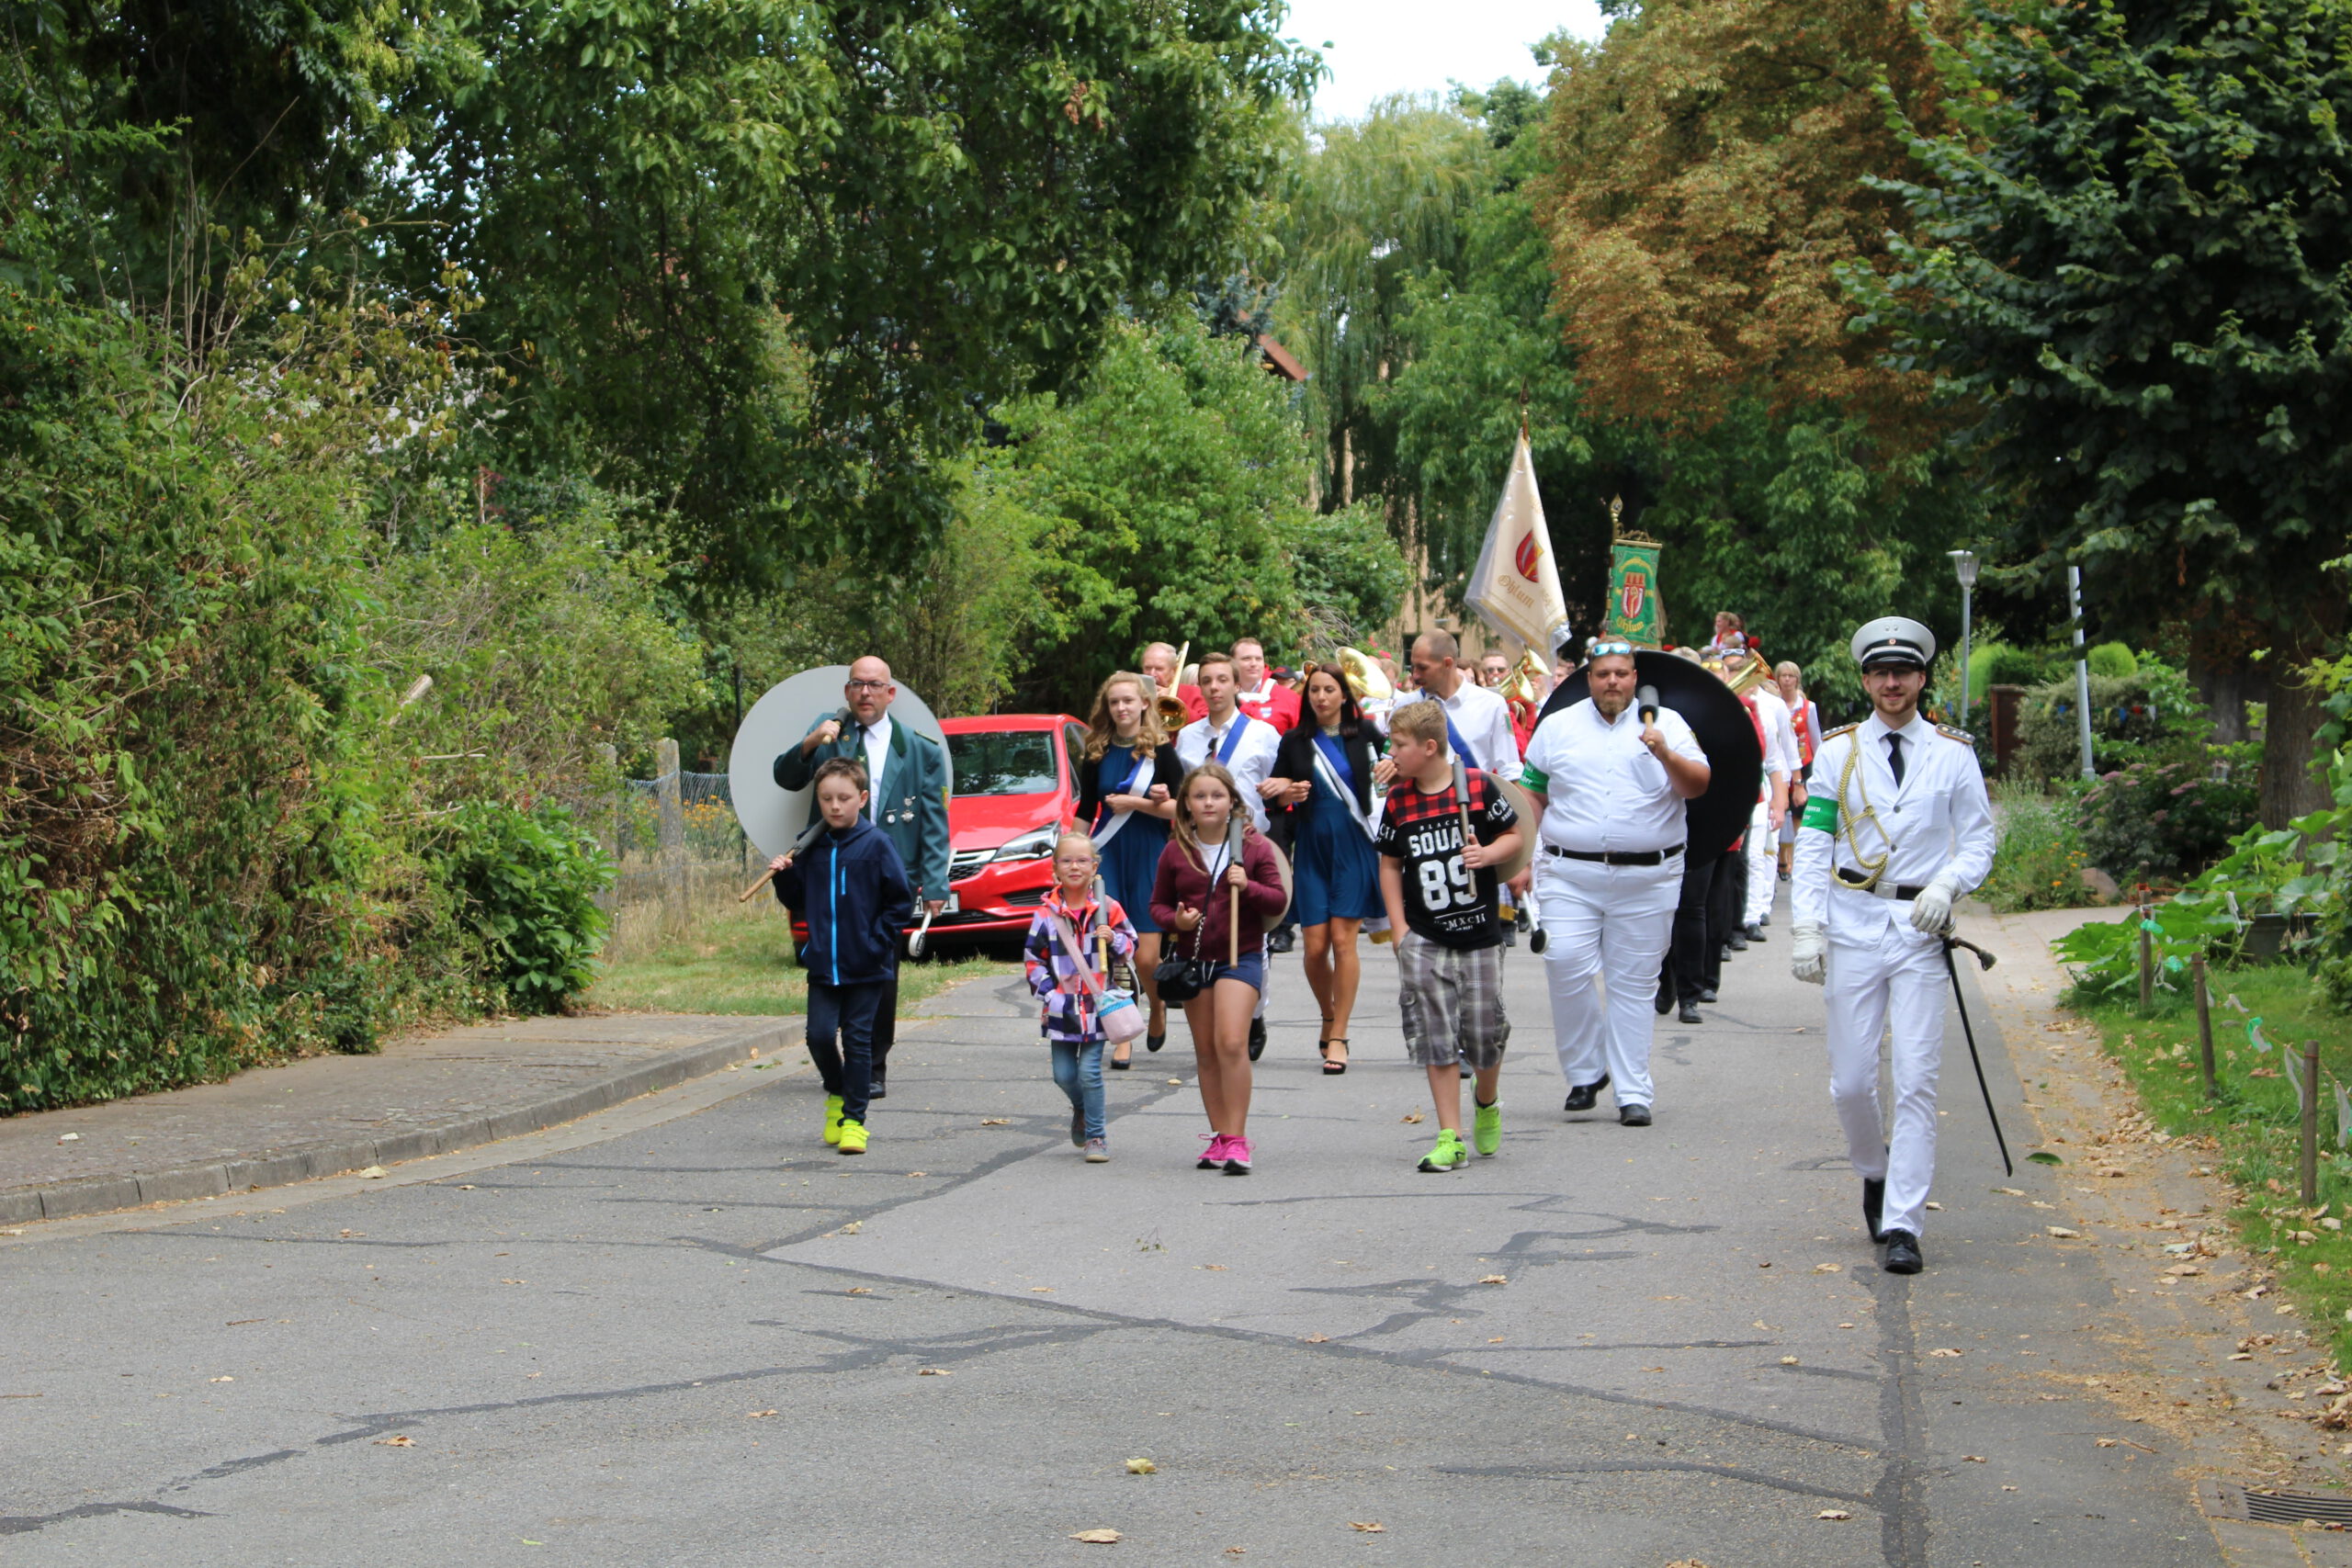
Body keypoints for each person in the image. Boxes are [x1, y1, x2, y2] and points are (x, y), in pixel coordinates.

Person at [1791, 616, 1995, 1277]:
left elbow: (1980, 840)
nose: (1891, 683)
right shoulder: (1838, 751)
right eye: (1880, 673)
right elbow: (1817, 839)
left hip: (1919, 929)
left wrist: (1949, 882)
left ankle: (1905, 1219)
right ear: (1865, 680)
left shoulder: (1953, 752)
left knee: (1916, 1076)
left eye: (1902, 672)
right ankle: (1874, 1172)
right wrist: (1805, 925)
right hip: (1853, 923)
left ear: (1921, 678)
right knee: (1851, 1080)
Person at [1521, 641, 1710, 1126]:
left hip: (1649, 876)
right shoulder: (1557, 726)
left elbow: (1697, 785)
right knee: (1563, 962)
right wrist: (1520, 856)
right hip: (1568, 873)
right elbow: (1532, 794)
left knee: (1634, 986)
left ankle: (1632, 1091)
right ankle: (1586, 1074)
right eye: (1603, 674)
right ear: (1589, 679)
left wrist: (1665, 752)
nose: (1612, 682)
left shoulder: (1665, 723)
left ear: (1634, 677)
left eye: (1621, 674)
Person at [772, 656, 950, 1100]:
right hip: (831, 868)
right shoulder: (831, 733)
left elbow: (933, 821)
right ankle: (834, 1059)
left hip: (889, 872)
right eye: (857, 685)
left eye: (875, 686)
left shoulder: (918, 749)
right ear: (847, 692)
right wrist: (813, 741)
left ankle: (872, 1065)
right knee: (829, 958)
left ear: (891, 694)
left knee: (882, 972)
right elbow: (786, 776)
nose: (865, 693)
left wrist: (935, 882)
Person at [1376, 701, 1522, 1171]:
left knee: (1483, 1034)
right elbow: (1390, 864)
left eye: (1399, 746)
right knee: (1434, 1033)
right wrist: (1399, 929)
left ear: (1429, 747)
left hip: (1478, 934)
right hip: (1425, 935)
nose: (1392, 753)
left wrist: (1490, 853)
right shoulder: (1399, 799)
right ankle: (1450, 1135)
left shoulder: (1476, 787)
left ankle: (1487, 1100)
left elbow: (1516, 835)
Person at [770, 759, 914, 1156]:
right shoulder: (809, 844)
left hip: (867, 966)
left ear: (862, 799)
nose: (835, 806)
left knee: (858, 1042)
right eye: (827, 799)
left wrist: (877, 944)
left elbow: (899, 902)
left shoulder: (876, 844)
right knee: (817, 1036)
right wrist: (784, 874)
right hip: (823, 963)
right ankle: (836, 1090)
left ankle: (854, 1121)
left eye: (844, 798)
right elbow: (796, 899)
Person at [1152, 762, 1288, 1174]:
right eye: (1199, 796)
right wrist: (1176, 922)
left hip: (1239, 957)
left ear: (1232, 801)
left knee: (1231, 1042)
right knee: (1207, 1051)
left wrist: (1248, 886)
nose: (1208, 802)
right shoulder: (1177, 849)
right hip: (1194, 961)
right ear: (1187, 805)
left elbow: (1278, 903)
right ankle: (1219, 1137)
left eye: (1216, 795)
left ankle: (1237, 1138)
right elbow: (1156, 906)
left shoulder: (1253, 847)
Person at [1270, 664, 1390, 1073]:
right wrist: (1284, 792)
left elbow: (1393, 780)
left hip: (1354, 846)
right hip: (1311, 846)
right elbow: (1274, 796)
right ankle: (1328, 1012)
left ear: (1344, 695)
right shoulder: (1295, 741)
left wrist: (1392, 768)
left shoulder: (1368, 735)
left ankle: (1339, 1034)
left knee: (1343, 942)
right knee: (1315, 945)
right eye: (1314, 691)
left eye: (1329, 690)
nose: (1320, 697)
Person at [1174, 653, 1284, 1056]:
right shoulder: (1187, 737)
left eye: (1223, 679)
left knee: (1254, 934)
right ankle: (1207, 1000)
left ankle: (1255, 1013)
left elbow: (1280, 786)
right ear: (1200, 687)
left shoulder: (1264, 734)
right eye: (1208, 680)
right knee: (1208, 928)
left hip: (1246, 844)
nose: (1216, 687)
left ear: (1238, 685)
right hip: (1199, 844)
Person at [1078, 671, 1183, 1064]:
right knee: (1112, 951)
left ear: (1144, 705)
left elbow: (1183, 808)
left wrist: (1138, 803)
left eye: (1128, 701)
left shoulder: (1161, 751)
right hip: (1109, 857)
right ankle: (1122, 1032)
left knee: (1146, 957)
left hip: (1150, 856)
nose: (1121, 708)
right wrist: (1071, 855)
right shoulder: (1097, 751)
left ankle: (1156, 1006)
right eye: (1114, 702)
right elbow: (1086, 811)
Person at [1023, 833, 1138, 1163]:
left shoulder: (1108, 908)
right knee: (1063, 1074)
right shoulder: (1046, 915)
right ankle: (1082, 1107)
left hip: (1098, 1007)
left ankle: (1097, 1136)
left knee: (1089, 1071)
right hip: (1061, 1009)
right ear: (1054, 867)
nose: (1074, 866)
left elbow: (1131, 947)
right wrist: (1049, 994)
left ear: (1094, 867)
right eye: (1066, 860)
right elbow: (1033, 958)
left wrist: (1113, 938)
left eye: (1082, 860)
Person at [1724, 637, 1796, 943]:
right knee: (1732, 860)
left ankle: (1751, 916)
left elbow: (1781, 755)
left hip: (1758, 787)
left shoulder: (1773, 706)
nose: (1736, 674)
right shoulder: (1721, 700)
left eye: (1742, 669)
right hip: (1725, 788)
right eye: (1732, 669)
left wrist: (1781, 801)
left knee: (1755, 855)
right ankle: (1734, 920)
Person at [1775, 660, 1822, 880]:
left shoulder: (1808, 706)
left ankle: (1800, 860)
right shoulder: (1773, 704)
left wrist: (1821, 764)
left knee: (1799, 812)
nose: (1786, 680)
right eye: (1783, 675)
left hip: (1803, 763)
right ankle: (1782, 858)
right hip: (1779, 762)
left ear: (1797, 679)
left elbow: (1816, 737)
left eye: (1790, 676)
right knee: (1779, 810)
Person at [1231, 637, 1303, 731]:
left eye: (1258, 659)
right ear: (1232, 662)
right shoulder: (1218, 695)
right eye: (1246, 658)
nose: (1254, 663)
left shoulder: (1289, 698)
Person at [1141, 642, 1207, 725]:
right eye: (1147, 668)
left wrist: (1175, 701)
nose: (1152, 674)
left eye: (1159, 669)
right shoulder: (1134, 693)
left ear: (1174, 670)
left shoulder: (1195, 693)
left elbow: (1206, 727)